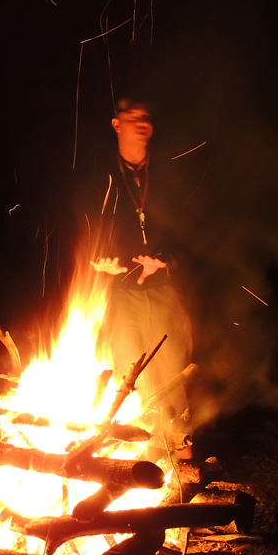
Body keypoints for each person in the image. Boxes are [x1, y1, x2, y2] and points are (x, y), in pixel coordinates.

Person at [78, 98, 195, 454]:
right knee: (128, 373)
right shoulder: (101, 175)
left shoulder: (168, 173)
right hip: (122, 292)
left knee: (171, 372)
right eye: (132, 117)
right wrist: (99, 260)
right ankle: (136, 458)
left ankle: (183, 458)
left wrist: (166, 261)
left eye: (146, 117)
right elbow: (86, 226)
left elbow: (191, 230)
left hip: (164, 288)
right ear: (116, 124)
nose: (142, 123)